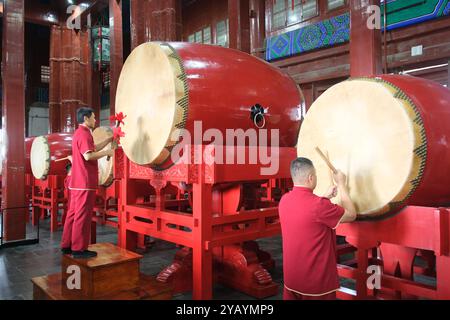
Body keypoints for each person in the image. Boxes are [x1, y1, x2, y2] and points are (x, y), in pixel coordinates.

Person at [279, 157, 357, 300]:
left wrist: (324, 198)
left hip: (292, 279)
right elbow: (351, 215)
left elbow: (307, 212)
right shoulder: (318, 206)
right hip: (315, 284)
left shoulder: (284, 200)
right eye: (315, 175)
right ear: (310, 178)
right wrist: (341, 185)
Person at [61, 107, 114, 259]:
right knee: (82, 216)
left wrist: (109, 140)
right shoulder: (84, 134)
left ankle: (67, 245)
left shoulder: (79, 133)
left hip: (76, 182)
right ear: (85, 118)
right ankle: (78, 249)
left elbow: (92, 147)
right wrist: (108, 153)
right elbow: (88, 156)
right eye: (93, 117)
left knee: (72, 214)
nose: (95, 120)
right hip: (84, 181)